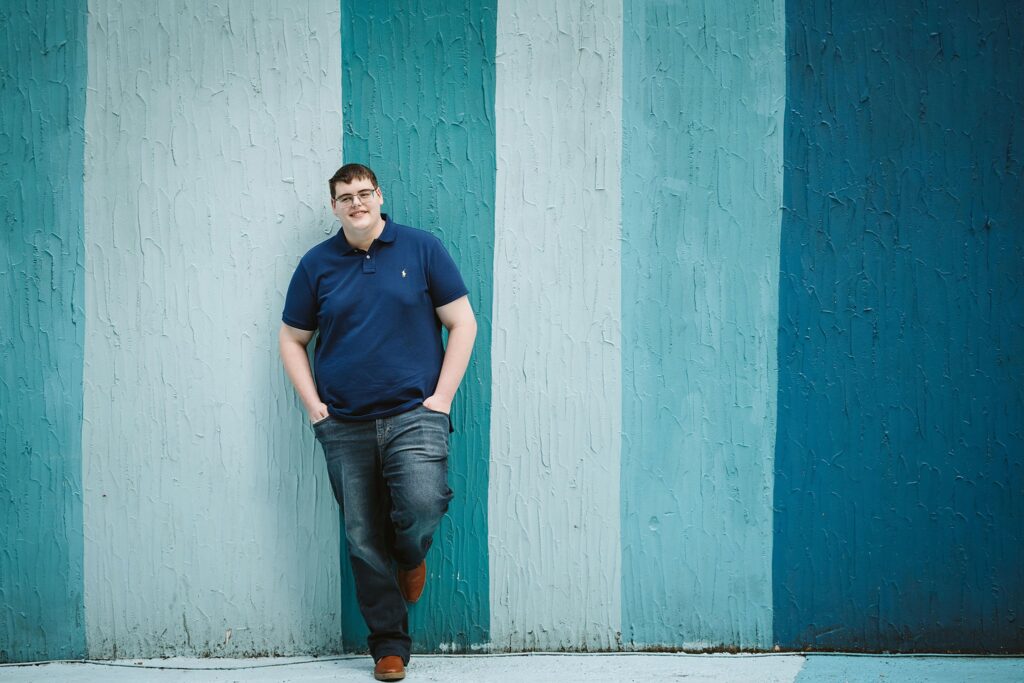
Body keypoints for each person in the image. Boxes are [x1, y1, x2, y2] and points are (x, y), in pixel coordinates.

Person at [279, 163, 477, 681]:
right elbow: (292, 338)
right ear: (334, 206)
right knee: (362, 534)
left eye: (364, 193)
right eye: (345, 197)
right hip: (343, 421)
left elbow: (462, 323)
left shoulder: (422, 249)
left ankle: (411, 555)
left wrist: (442, 399)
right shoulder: (315, 265)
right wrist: (313, 407)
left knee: (421, 503)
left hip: (416, 412)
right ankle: (388, 646)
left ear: (379, 196)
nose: (356, 203)